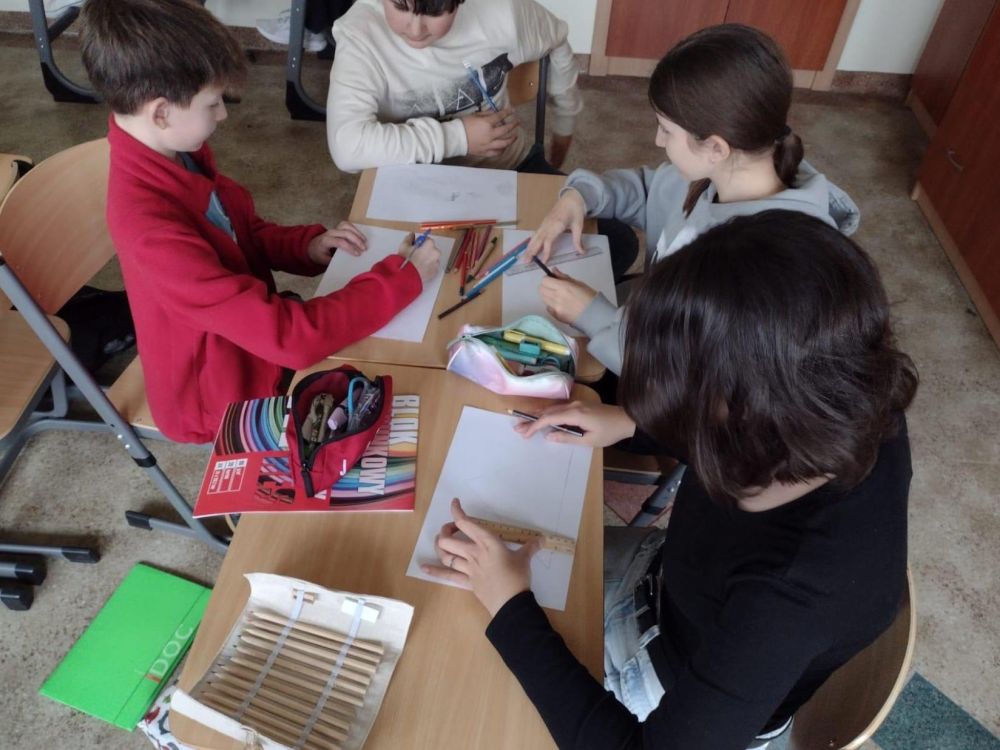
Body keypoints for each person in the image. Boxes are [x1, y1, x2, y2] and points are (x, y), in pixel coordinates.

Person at [424, 211, 918, 750]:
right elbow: (731, 420)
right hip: (667, 584)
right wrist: (630, 424)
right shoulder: (847, 399)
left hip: (666, 684)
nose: (673, 419)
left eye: (683, 409)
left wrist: (511, 605)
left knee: (456, 689)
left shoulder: (790, 602)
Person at [80, 0, 440, 444]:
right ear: (161, 112)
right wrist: (401, 281)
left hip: (247, 345)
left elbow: (238, 232)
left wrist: (305, 246)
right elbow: (290, 338)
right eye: (213, 103)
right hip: (223, 398)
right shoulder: (150, 229)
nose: (223, 114)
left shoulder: (173, 152)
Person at [525, 24, 860, 375]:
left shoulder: (756, 276)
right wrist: (579, 196)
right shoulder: (722, 173)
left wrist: (591, 315)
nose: (657, 141)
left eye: (666, 130)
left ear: (716, 147)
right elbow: (648, 191)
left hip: (649, 367)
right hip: (639, 320)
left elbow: (679, 374)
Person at [326, 0, 639, 279]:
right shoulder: (361, 30)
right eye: (400, 6)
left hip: (510, 169)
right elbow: (347, 148)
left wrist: (565, 121)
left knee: (615, 242)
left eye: (435, 10)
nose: (416, 29)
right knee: (384, 285)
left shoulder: (502, 12)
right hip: (412, 184)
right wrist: (459, 136)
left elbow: (556, 37)